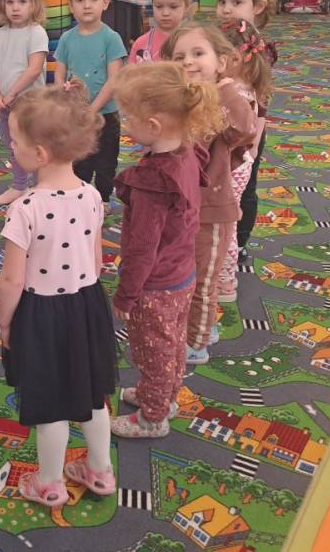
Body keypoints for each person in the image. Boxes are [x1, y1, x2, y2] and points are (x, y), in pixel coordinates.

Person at [0, 81, 117, 507]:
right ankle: (100, 471)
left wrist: (6, 324)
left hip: (42, 314)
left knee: (50, 401)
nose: (11, 147)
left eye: (14, 141)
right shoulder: (93, 196)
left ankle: (49, 483)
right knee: (92, 395)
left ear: (39, 154)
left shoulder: (24, 208)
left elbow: (11, 281)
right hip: (86, 307)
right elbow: (98, 261)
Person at [109, 63, 220, 438]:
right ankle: (163, 397)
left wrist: (126, 296)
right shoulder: (187, 153)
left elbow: (142, 248)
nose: (125, 125)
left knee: (154, 351)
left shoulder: (153, 183)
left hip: (155, 286)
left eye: (129, 118)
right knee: (172, 344)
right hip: (182, 273)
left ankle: (153, 418)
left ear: (154, 126)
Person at [162, 24, 256, 364]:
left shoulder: (224, 99)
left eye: (198, 53)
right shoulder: (186, 101)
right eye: (179, 57)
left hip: (213, 210)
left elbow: (244, 128)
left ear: (221, 63)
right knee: (187, 274)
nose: (188, 61)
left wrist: (225, 89)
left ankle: (197, 343)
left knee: (203, 280)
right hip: (184, 206)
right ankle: (204, 327)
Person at [215, 0, 278, 260]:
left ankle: (239, 242)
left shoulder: (258, 50)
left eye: (236, 2)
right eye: (221, 1)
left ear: (259, 6)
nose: (226, 9)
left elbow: (261, 101)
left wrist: (253, 143)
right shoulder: (217, 40)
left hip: (249, 131)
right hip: (220, 126)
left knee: (244, 186)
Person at [53, 0, 127, 203]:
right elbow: (59, 73)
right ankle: (79, 198)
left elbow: (114, 80)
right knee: (79, 161)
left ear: (105, 3)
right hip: (76, 114)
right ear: (70, 5)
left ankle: (103, 199)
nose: (87, 5)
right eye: (80, 0)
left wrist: (93, 109)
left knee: (106, 162)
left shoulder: (111, 38)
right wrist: (63, 93)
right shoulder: (67, 39)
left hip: (105, 115)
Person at [214, 19, 272, 307]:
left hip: (231, 164)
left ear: (235, 59)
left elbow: (228, 132)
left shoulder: (233, 91)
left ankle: (224, 280)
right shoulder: (246, 86)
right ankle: (223, 277)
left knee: (223, 223)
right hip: (239, 162)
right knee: (227, 221)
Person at [0, 0, 49, 205]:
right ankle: (20, 186)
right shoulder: (0, 34)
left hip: (30, 106)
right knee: (14, 147)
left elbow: (34, 69)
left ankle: (42, 186)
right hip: (6, 105)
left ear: (34, 4)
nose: (15, 7)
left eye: (22, 1)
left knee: (35, 146)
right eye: (10, 1)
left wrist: (11, 93)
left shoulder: (36, 33)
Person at [129, 0, 195, 64]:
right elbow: (130, 72)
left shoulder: (194, 42)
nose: (165, 13)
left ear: (187, 6)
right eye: (159, 6)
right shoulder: (140, 44)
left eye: (173, 7)